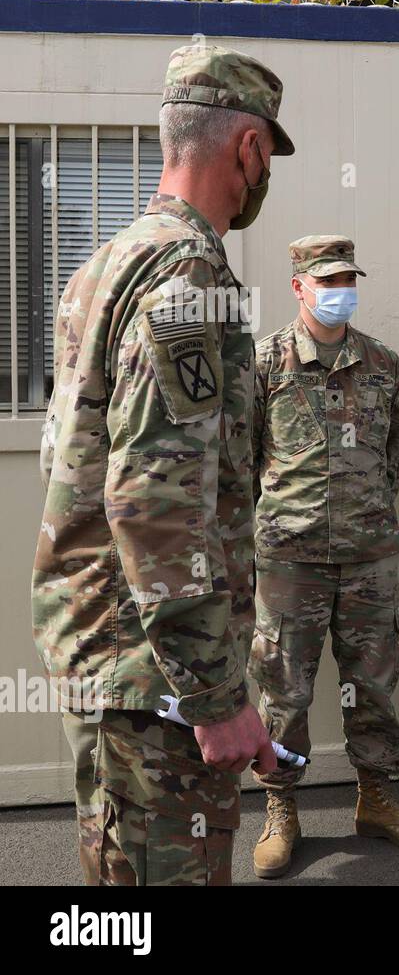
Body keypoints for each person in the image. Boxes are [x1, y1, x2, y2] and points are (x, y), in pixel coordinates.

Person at [32, 44, 293, 885]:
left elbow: (67, 451)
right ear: (247, 149)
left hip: (125, 659)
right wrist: (215, 698)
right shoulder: (187, 271)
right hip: (150, 680)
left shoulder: (103, 265)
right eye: (267, 159)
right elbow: (152, 501)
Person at [248, 236, 399, 879]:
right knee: (283, 691)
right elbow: (239, 458)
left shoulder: (381, 362)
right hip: (289, 560)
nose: (339, 289)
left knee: (375, 683)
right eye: (326, 279)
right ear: (298, 286)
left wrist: (371, 503)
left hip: (368, 556)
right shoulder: (265, 362)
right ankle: (281, 810)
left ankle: (376, 800)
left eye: (348, 278)